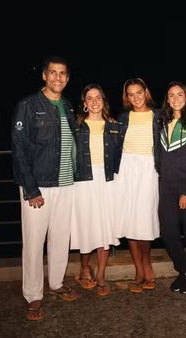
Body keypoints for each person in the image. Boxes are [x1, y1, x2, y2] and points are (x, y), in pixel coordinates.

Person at [11, 55, 78, 321]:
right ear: (44, 76)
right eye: (53, 73)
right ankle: (33, 295)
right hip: (38, 186)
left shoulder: (68, 106)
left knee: (61, 238)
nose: (58, 78)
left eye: (62, 74)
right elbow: (19, 149)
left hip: (66, 184)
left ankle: (57, 283)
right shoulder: (28, 105)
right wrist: (31, 188)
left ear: (67, 78)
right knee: (34, 242)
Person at [70, 84, 121, 297]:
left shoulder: (114, 126)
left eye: (98, 97)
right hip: (83, 181)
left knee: (105, 227)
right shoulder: (76, 126)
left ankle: (100, 275)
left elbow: (121, 155)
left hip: (108, 181)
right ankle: (84, 267)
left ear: (103, 101)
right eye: (89, 98)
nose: (94, 101)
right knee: (86, 227)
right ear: (84, 103)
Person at [156, 81, 186, 294]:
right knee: (168, 232)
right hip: (166, 187)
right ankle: (184, 270)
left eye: (180, 94)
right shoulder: (162, 122)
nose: (175, 98)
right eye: (171, 95)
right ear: (167, 99)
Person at [114, 78, 160, 293]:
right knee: (131, 220)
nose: (136, 97)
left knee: (144, 219)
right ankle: (139, 270)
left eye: (139, 92)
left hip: (149, 169)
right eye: (131, 94)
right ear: (127, 97)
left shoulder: (159, 116)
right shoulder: (122, 118)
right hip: (126, 169)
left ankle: (147, 264)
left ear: (146, 92)